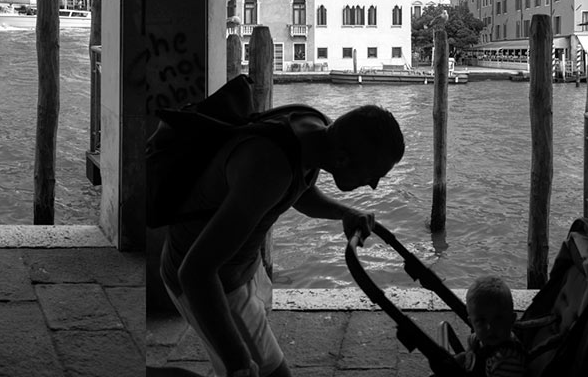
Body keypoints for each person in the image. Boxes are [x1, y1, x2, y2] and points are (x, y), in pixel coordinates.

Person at [159, 104, 405, 377]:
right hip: (214, 283)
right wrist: (237, 359)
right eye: (373, 176)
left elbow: (297, 188)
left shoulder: (312, 126)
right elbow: (194, 273)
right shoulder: (268, 169)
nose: (374, 186)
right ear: (342, 160)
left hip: (242, 269)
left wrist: (344, 212)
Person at [453, 275, 526, 377]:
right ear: (472, 323)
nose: (489, 327)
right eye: (481, 321)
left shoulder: (506, 360)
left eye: (498, 319)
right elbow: (469, 356)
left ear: (511, 320)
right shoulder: (478, 340)